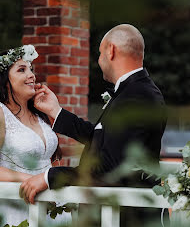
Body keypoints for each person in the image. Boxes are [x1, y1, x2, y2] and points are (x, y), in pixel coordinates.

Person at [20, 23, 167, 202]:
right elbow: (102, 139)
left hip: (127, 222)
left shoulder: (138, 96)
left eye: (100, 53)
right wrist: (55, 111)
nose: (99, 60)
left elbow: (110, 169)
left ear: (111, 50)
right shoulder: (134, 91)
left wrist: (51, 176)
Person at [0, 45, 78, 227]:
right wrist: (31, 180)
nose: (31, 75)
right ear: (3, 81)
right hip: (15, 208)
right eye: (22, 70)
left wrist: (52, 110)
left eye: (31, 69)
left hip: (50, 204)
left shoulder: (38, 113)